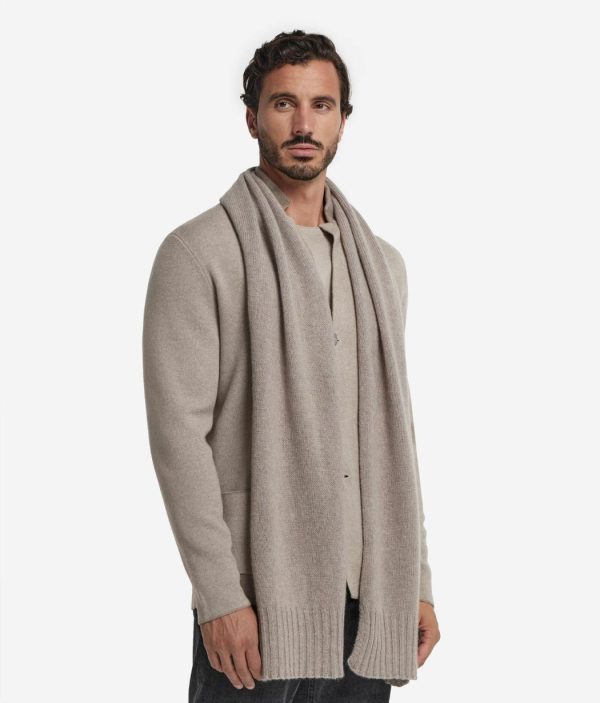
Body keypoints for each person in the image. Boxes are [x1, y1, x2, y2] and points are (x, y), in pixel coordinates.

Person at [142, 29, 440, 703]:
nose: (304, 124)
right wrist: (219, 595)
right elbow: (179, 440)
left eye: (321, 105)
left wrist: (416, 582)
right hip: (255, 599)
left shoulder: (382, 266)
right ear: (252, 118)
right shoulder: (199, 253)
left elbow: (394, 438)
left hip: (370, 601)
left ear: (343, 120)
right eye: (283, 104)